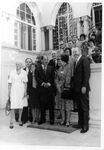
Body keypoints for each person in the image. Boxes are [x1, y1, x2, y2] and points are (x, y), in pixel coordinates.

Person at [73, 47, 90, 133]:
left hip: (83, 88)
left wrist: (84, 86)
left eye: (76, 52)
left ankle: (85, 126)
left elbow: (87, 74)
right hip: (77, 89)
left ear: (80, 52)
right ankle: (80, 124)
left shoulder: (84, 59)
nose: (74, 53)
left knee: (84, 107)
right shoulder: (76, 61)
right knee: (79, 107)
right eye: (73, 52)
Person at [35, 55, 55, 125]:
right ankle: (42, 119)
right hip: (42, 89)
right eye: (45, 60)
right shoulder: (38, 68)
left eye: (47, 60)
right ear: (42, 60)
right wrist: (43, 84)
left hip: (50, 89)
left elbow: (53, 77)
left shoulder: (51, 68)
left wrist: (49, 83)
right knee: (42, 105)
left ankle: (52, 120)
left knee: (51, 106)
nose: (46, 61)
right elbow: (37, 78)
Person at [8, 59, 28, 129]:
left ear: (21, 65)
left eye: (18, 64)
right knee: (13, 106)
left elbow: (25, 83)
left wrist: (25, 92)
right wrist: (9, 93)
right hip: (14, 90)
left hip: (21, 90)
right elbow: (9, 83)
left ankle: (19, 120)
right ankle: (11, 121)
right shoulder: (12, 72)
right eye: (16, 64)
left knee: (20, 106)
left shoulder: (24, 72)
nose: (17, 65)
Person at [56, 54, 73, 127]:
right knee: (61, 106)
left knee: (67, 106)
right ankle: (63, 120)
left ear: (64, 60)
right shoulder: (60, 68)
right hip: (60, 89)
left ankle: (68, 121)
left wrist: (61, 85)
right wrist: (57, 85)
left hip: (66, 89)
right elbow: (57, 77)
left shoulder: (69, 67)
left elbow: (68, 79)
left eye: (60, 59)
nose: (59, 61)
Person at [21, 58, 33, 124]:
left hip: (31, 90)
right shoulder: (22, 71)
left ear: (31, 63)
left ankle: (31, 118)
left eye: (30, 62)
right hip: (24, 90)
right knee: (24, 105)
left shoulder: (33, 70)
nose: (28, 63)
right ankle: (24, 119)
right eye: (27, 62)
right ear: (25, 63)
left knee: (31, 105)